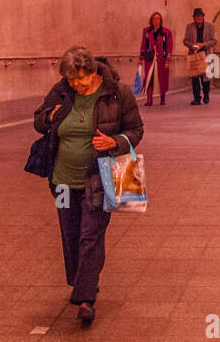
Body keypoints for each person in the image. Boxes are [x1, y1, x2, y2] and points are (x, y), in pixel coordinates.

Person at [33, 46, 143, 326]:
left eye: (80, 79)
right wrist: (48, 117)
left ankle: (85, 299)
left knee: (90, 235)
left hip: (100, 176)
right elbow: (38, 121)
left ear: (93, 72)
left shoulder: (118, 93)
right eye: (70, 80)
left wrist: (115, 141)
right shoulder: (61, 91)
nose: (76, 85)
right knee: (70, 235)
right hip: (61, 180)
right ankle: (83, 282)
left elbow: (136, 130)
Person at [138, 11, 172, 106]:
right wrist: (141, 58)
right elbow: (143, 45)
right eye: (154, 18)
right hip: (149, 58)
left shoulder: (167, 32)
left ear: (160, 20)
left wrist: (167, 60)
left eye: (158, 18)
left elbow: (169, 47)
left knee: (162, 78)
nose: (156, 20)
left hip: (162, 58)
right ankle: (149, 99)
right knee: (149, 78)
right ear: (151, 20)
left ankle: (162, 98)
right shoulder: (146, 31)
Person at [185, 7, 217, 105]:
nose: (199, 18)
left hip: (206, 54)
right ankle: (197, 98)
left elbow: (214, 41)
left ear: (203, 17)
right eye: (197, 16)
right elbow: (185, 40)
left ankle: (206, 95)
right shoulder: (189, 26)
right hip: (194, 54)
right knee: (195, 78)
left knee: (206, 77)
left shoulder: (210, 26)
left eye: (200, 16)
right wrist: (192, 45)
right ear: (194, 18)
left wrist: (203, 45)